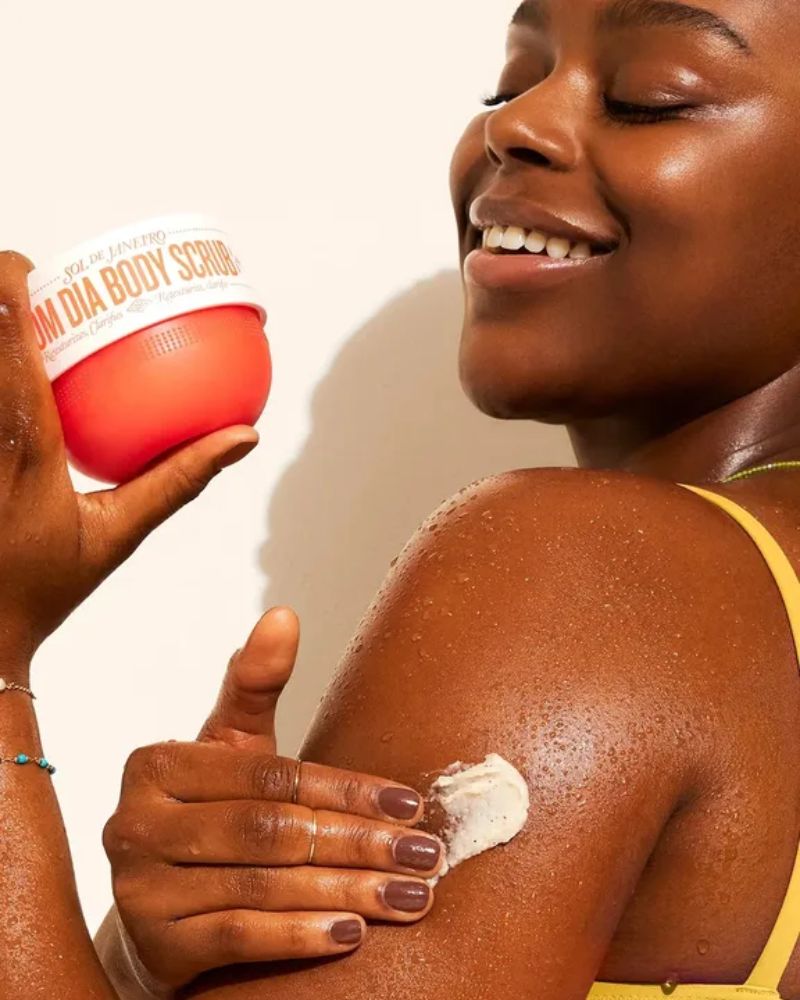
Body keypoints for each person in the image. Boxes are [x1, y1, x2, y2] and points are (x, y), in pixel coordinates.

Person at [5, 0, 800, 997]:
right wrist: (146, 959)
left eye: (648, 96)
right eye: (508, 83)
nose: (513, 125)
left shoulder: (589, 572)